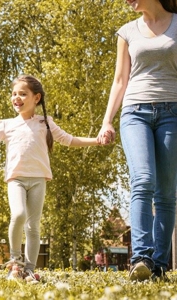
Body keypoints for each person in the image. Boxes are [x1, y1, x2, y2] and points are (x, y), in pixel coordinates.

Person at [0, 75, 100, 282]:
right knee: (18, 214)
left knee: (33, 226)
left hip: (38, 179)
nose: (16, 98)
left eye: (22, 94)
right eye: (14, 94)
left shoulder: (45, 123)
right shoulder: (6, 125)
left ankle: (29, 269)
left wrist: (96, 141)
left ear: (36, 98)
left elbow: (69, 140)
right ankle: (14, 262)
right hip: (16, 179)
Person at [97, 0, 177, 282]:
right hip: (135, 112)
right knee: (143, 180)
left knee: (166, 193)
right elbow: (120, 79)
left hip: (172, 112)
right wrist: (107, 120)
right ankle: (140, 258)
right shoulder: (127, 31)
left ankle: (159, 265)